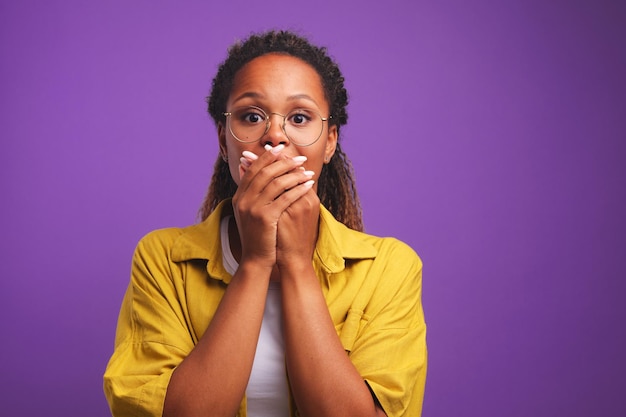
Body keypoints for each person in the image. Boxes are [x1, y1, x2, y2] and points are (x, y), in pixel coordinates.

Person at [103, 30, 427, 417]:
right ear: (225, 141)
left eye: (300, 118)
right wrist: (256, 261)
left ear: (329, 141)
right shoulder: (162, 259)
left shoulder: (391, 267)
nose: (275, 135)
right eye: (252, 116)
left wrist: (295, 264)